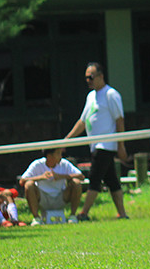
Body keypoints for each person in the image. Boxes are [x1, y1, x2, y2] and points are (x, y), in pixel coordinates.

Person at [55, 62, 129, 220]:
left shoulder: (111, 94)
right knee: (111, 180)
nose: (88, 80)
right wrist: (66, 141)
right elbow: (82, 122)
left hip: (106, 145)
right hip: (95, 145)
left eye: (91, 77)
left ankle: (83, 213)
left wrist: (121, 144)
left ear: (101, 76)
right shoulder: (91, 96)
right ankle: (122, 214)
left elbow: (120, 120)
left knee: (94, 178)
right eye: (86, 78)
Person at [20, 149, 85, 225]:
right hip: (42, 198)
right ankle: (37, 218)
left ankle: (72, 216)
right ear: (49, 156)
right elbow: (22, 181)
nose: (61, 156)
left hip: (61, 197)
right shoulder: (37, 164)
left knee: (76, 183)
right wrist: (41, 177)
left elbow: (81, 176)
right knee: (29, 184)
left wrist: (60, 176)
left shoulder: (64, 163)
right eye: (58, 154)